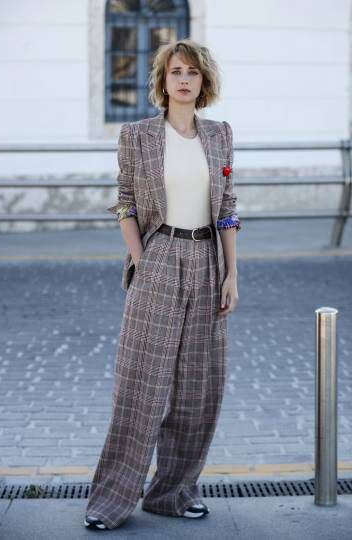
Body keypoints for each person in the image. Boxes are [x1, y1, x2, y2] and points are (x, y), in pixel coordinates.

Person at [84, 38, 241, 531]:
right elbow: (126, 200)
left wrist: (232, 271)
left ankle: (173, 493)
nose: (184, 79)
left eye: (193, 72)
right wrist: (139, 257)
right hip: (159, 255)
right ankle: (111, 500)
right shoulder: (137, 135)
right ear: (163, 79)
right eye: (176, 71)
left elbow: (229, 205)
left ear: (204, 81)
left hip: (208, 259)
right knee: (140, 386)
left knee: (199, 388)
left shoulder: (219, 135)